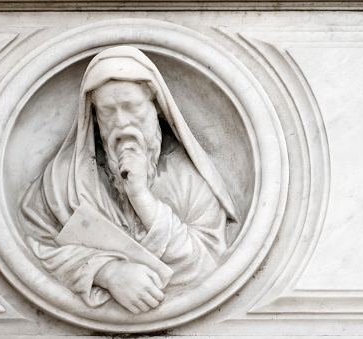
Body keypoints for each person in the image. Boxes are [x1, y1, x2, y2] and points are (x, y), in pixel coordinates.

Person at [20, 46, 238, 315]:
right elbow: (33, 249)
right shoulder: (61, 182)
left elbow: (206, 267)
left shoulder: (190, 181)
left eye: (132, 107)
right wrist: (106, 272)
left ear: (156, 106)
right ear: (94, 117)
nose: (122, 123)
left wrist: (141, 197)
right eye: (108, 111)